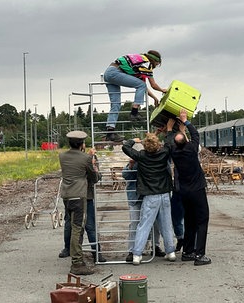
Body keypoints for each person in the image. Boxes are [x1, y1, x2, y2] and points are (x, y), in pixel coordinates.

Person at [122, 132, 176, 265]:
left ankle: (137, 254)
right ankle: (171, 251)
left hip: (150, 195)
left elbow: (125, 148)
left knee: (144, 225)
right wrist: (168, 130)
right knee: (166, 224)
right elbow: (169, 144)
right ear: (158, 145)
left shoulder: (141, 156)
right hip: (164, 194)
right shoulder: (164, 154)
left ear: (145, 146)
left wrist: (133, 140)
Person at [166, 110, 211, 266]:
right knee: (202, 220)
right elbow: (196, 134)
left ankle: (188, 252)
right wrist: (185, 121)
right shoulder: (192, 149)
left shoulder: (174, 153)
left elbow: (170, 142)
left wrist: (169, 129)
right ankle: (200, 255)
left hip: (184, 192)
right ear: (186, 141)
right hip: (197, 190)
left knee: (189, 221)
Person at [58, 130, 100, 275]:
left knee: (71, 224)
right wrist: (92, 161)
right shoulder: (85, 158)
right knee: (78, 228)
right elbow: (94, 178)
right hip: (79, 196)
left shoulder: (62, 156)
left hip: (66, 195)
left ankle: (71, 253)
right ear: (82, 144)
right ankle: (77, 263)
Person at [103, 50, 168, 142]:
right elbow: (152, 85)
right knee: (140, 85)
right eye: (157, 64)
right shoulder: (147, 64)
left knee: (116, 104)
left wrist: (154, 98)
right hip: (116, 73)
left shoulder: (139, 62)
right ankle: (134, 112)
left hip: (109, 73)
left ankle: (110, 132)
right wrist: (162, 90)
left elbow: (143, 87)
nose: (156, 66)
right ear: (154, 60)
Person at [122, 151, 166, 262]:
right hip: (136, 197)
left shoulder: (151, 159)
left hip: (150, 195)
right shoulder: (135, 161)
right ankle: (132, 251)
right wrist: (131, 165)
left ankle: (155, 246)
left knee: (155, 222)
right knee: (135, 223)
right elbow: (125, 175)